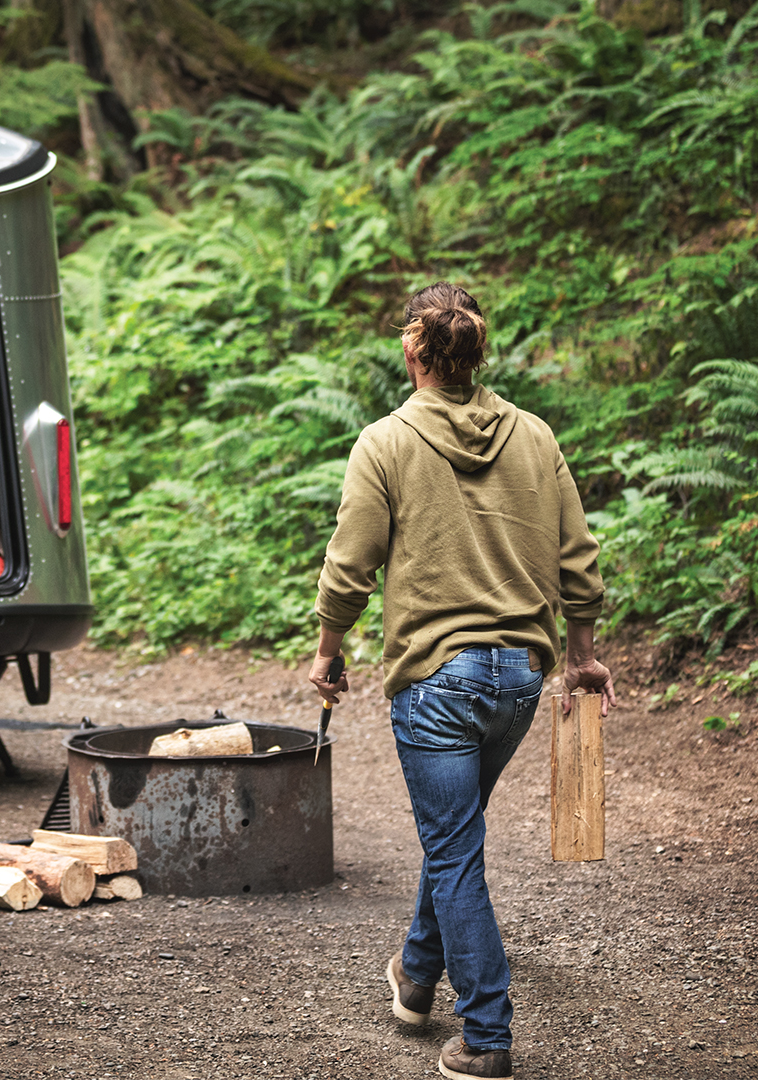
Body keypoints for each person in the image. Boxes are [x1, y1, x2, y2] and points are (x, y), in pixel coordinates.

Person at [307, 283, 615, 1080]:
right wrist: (579, 653)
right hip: (517, 678)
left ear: (413, 353)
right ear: (479, 352)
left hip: (437, 680)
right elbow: (578, 558)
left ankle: (486, 1035)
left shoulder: (384, 442)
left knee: (453, 851)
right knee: (455, 837)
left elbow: (351, 564)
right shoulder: (535, 437)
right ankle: (415, 978)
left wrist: (327, 649)